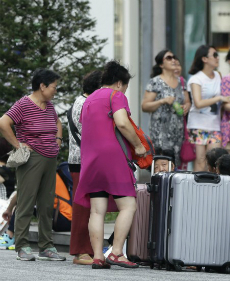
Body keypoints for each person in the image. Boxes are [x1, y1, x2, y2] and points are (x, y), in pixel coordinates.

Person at [74, 61, 146, 269]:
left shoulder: (88, 100)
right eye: (125, 86)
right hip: (112, 157)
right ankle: (116, 252)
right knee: (129, 205)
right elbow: (122, 122)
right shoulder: (116, 95)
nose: (125, 90)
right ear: (119, 83)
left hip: (90, 159)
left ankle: (97, 256)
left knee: (97, 210)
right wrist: (138, 146)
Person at [0, 68, 66, 261]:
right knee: (26, 202)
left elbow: (58, 123)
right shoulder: (23, 104)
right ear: (42, 86)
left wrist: (59, 140)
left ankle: (46, 246)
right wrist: (18, 145)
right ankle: (21, 245)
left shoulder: (49, 106)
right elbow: (3, 122)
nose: (55, 91)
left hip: (50, 158)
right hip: (31, 158)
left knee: (46, 204)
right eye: (54, 87)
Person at [68, 70, 102, 265]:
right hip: (83, 161)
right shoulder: (85, 104)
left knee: (90, 206)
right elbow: (92, 133)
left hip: (84, 160)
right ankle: (81, 251)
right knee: (83, 206)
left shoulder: (81, 101)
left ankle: (87, 249)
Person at [141, 49, 190, 167]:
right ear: (161, 64)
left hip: (178, 132)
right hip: (160, 133)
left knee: (175, 164)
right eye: (168, 58)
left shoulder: (181, 81)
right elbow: (145, 106)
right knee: (162, 163)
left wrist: (187, 106)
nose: (173, 60)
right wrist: (162, 101)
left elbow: (187, 101)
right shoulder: (155, 82)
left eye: (174, 57)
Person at [187, 45, 230, 171]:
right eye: (215, 55)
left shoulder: (219, 75)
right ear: (204, 59)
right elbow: (198, 103)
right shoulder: (196, 79)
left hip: (215, 125)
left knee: (215, 160)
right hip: (198, 125)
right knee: (201, 161)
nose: (218, 58)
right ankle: (196, 189)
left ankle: (212, 188)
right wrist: (219, 98)